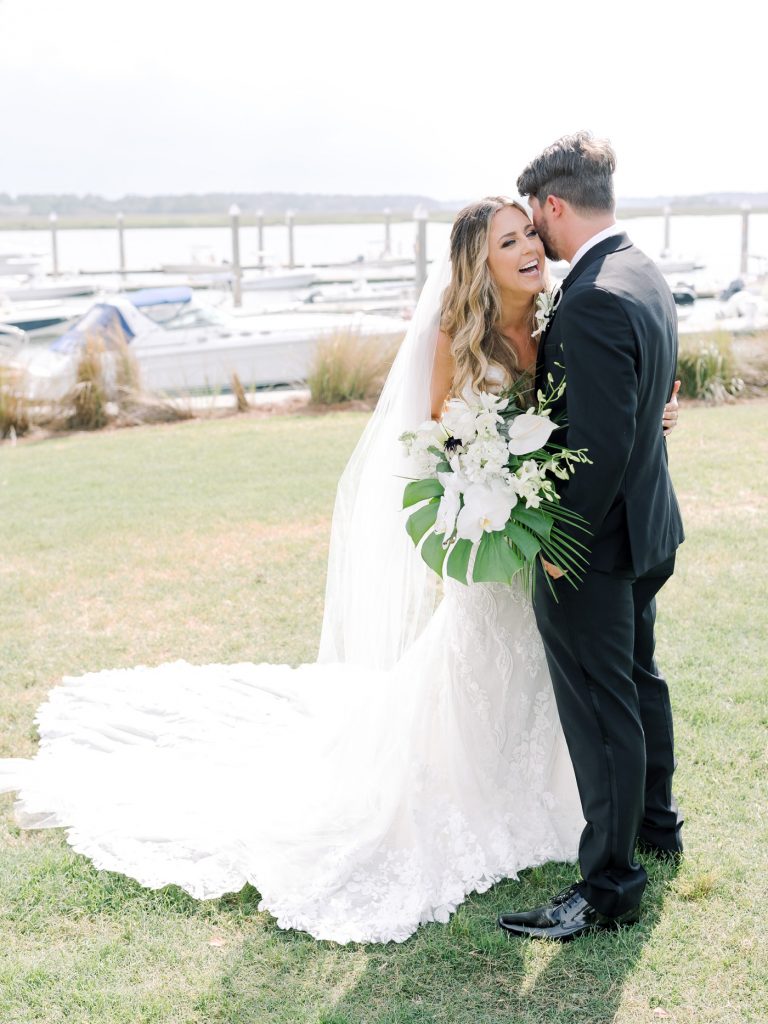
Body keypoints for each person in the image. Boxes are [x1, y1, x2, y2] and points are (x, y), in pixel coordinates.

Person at [0, 194, 680, 946]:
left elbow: (596, 407)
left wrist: (649, 418)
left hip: (555, 539)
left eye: (528, 235)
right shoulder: (456, 338)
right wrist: (483, 501)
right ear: (478, 264)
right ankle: (490, 810)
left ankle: (583, 818)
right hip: (502, 542)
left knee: (566, 685)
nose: (526, 249)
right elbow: (434, 449)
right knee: (495, 677)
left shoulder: (560, 312)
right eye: (507, 241)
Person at [498, 133, 685, 942]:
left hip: (598, 546)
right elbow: (640, 408)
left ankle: (610, 884)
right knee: (638, 681)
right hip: (650, 528)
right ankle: (656, 828)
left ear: (552, 205)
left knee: (603, 709)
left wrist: (559, 544)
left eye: (535, 223)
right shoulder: (643, 270)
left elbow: (600, 445)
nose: (534, 239)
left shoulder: (593, 295)